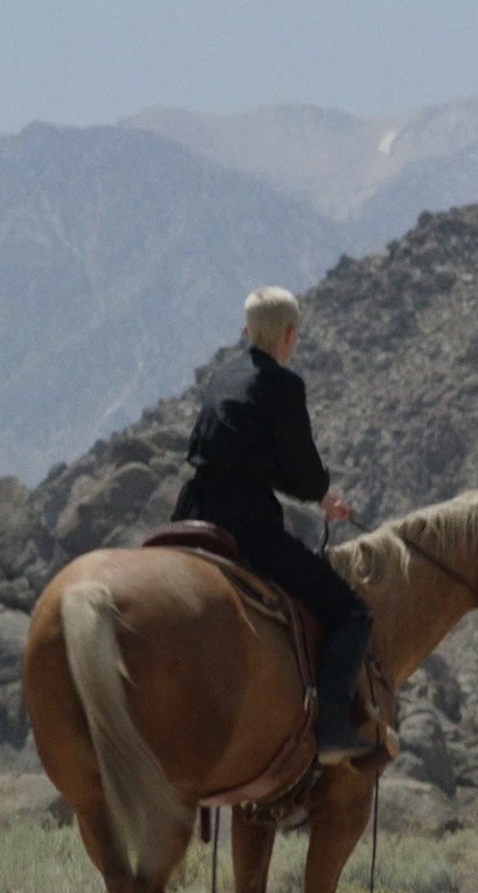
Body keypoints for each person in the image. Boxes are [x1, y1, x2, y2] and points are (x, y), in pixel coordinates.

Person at [171, 285, 377, 765]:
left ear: (247, 331)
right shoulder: (283, 385)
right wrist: (324, 493)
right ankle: (330, 726)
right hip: (245, 523)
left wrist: (317, 494)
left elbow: (246, 455)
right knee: (351, 613)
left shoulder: (222, 377)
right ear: (289, 336)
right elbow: (300, 469)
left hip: (191, 509)